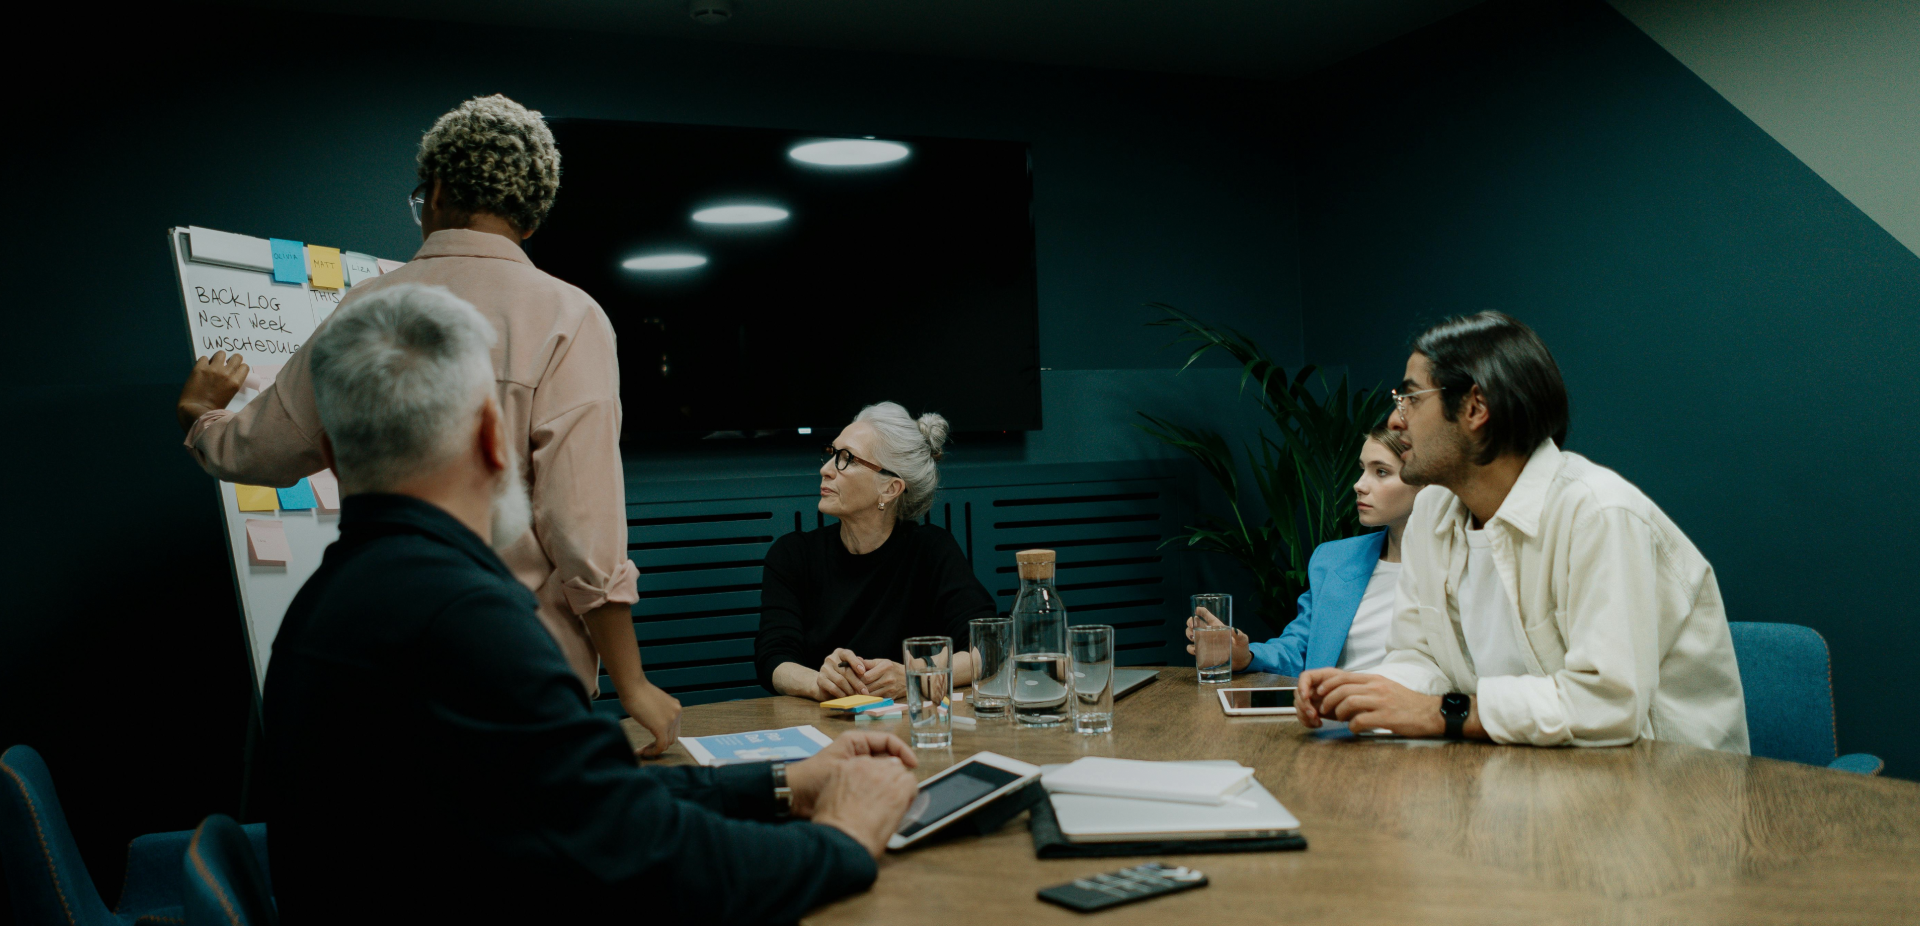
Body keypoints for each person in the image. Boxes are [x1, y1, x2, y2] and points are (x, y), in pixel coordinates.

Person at [268, 283, 920, 923]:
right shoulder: (466, 619)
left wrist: (783, 784)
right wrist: (839, 840)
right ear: (497, 440)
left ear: (327, 454)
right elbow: (643, 854)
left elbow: (580, 795)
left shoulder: (326, 605)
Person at [172, 94, 684, 755]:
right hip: (522, 670)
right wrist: (633, 681)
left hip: (373, 654)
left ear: (436, 190)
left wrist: (200, 414)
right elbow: (582, 527)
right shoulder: (570, 317)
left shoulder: (364, 310)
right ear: (529, 223)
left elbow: (256, 451)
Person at [1295, 312, 1748, 752]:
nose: (1396, 421)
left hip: (1665, 797)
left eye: (1411, 398)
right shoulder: (1432, 511)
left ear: (1475, 407)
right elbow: (1420, 656)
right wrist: (1366, 693)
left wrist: (1442, 713)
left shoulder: (1599, 513)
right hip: (1527, 775)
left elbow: (1608, 706)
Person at [756, 402, 996, 701]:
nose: (825, 470)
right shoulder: (792, 555)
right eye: (832, 454)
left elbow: (987, 648)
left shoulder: (932, 550)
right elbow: (773, 659)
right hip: (824, 728)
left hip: (911, 729)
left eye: (847, 459)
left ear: (891, 489)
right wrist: (819, 682)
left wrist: (915, 673)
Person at [1185, 425, 1419, 676]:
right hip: (1326, 712)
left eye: (1381, 472)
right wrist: (1245, 655)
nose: (1358, 485)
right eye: (1362, 470)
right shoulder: (1334, 559)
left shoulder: (1458, 566)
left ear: (1429, 480)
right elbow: (1300, 648)